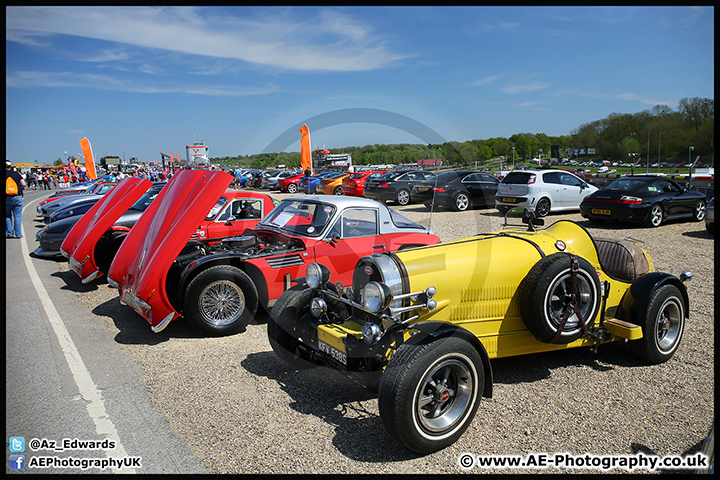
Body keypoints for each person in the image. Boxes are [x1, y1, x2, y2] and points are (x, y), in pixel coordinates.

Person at [6, 160, 26, 238]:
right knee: (17, 216)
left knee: (7, 216)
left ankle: (9, 233)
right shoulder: (16, 174)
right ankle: (18, 234)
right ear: (10, 166)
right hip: (16, 197)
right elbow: (23, 184)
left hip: (6, 198)